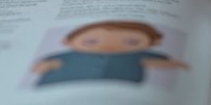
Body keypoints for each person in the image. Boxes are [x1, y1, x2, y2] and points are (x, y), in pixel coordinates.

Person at [31, 20, 188, 87]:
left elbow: (157, 61)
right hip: (63, 87)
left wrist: (173, 64)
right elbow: (43, 65)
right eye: (90, 42)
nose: (109, 46)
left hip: (121, 90)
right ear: (67, 41)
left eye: (132, 42)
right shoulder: (67, 57)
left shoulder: (136, 56)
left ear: (153, 43)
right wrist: (46, 65)